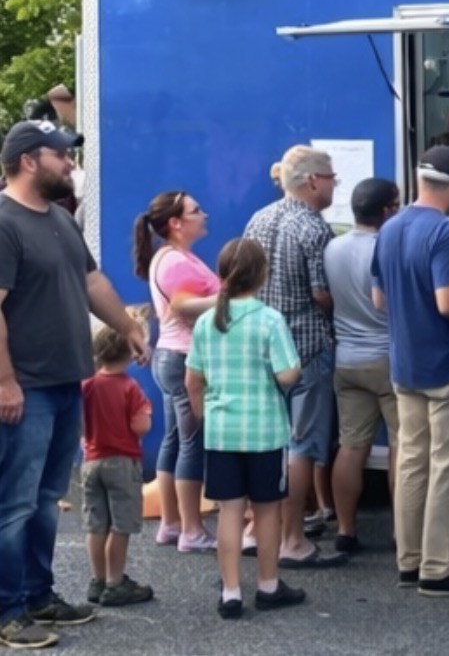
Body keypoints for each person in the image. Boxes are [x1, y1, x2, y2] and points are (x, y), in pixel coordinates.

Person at [0, 120, 150, 650]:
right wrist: (5, 382)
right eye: (60, 155)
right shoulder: (4, 222)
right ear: (28, 161)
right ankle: (8, 611)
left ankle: (38, 595)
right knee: (15, 504)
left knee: (45, 500)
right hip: (27, 389)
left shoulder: (60, 219)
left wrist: (128, 326)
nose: (69, 163)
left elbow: (91, 280)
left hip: (66, 381)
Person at [371, 145, 449, 595]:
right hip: (447, 364)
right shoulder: (446, 232)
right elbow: (448, 302)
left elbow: (379, 299)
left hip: (405, 364)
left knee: (412, 462)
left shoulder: (390, 227)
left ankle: (409, 559)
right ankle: (439, 566)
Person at [186, 238, 305, 619]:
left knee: (229, 511)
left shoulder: (206, 322)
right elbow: (288, 374)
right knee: (267, 511)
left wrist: (206, 418)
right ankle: (268, 585)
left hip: (222, 431)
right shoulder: (269, 319)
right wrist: (288, 372)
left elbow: (192, 381)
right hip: (265, 430)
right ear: (262, 275)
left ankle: (231, 591)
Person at [244, 145, 346, 569]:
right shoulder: (313, 227)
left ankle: (255, 530)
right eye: (332, 177)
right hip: (306, 346)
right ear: (313, 181)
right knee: (301, 445)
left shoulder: (258, 219)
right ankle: (292, 539)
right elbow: (322, 293)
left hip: (262, 346)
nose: (335, 185)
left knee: (266, 441)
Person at [133, 190, 220, 553]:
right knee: (191, 444)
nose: (204, 215)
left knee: (174, 440)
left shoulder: (170, 257)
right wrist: (232, 296)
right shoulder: (176, 262)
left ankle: (171, 524)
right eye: (196, 210)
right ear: (175, 223)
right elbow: (185, 307)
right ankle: (192, 531)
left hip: (173, 357)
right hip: (184, 360)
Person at [324, 178, 401, 554]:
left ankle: (345, 529)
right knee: (403, 446)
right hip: (387, 358)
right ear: (387, 210)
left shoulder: (333, 247)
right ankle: (402, 533)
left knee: (352, 446)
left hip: (347, 358)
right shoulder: (388, 248)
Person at [82, 325, 155, 607]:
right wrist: (147, 414)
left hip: (92, 461)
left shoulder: (87, 385)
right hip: (122, 462)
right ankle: (115, 583)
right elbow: (140, 427)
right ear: (129, 352)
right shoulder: (129, 387)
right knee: (120, 525)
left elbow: (79, 423)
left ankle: (97, 579)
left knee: (96, 525)